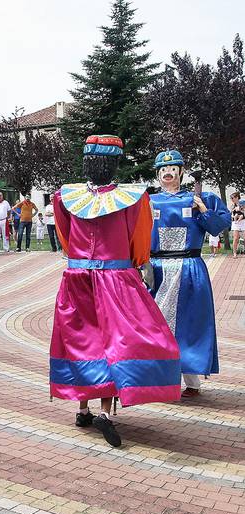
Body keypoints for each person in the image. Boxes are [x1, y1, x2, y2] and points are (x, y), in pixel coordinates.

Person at [50, 135, 181, 448]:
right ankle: (106, 414)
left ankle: (82, 408)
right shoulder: (135, 198)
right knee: (116, 343)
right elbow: (139, 241)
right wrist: (136, 264)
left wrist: (81, 261)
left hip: (77, 277)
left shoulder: (64, 196)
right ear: (115, 164)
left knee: (80, 342)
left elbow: (65, 237)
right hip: (116, 279)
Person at [148, 149, 232, 397]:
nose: (167, 173)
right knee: (157, 324)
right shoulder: (149, 201)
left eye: (172, 168)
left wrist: (204, 209)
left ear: (181, 172)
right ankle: (159, 377)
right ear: (157, 173)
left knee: (190, 323)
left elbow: (218, 228)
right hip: (157, 269)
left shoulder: (201, 197)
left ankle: (192, 380)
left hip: (189, 268)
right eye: (163, 169)